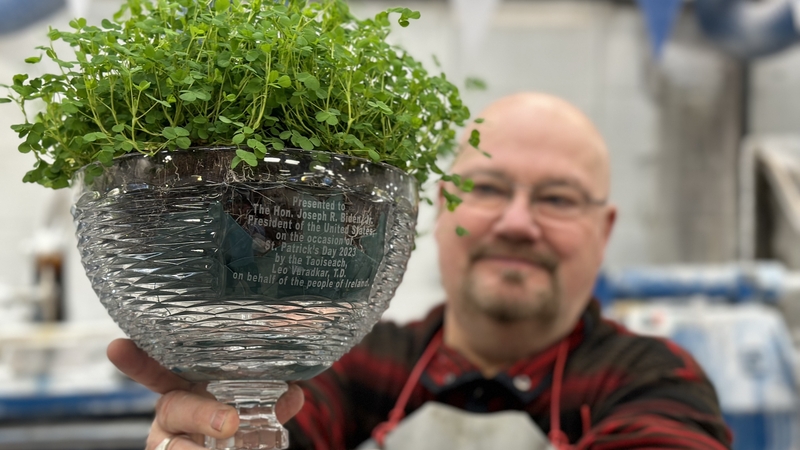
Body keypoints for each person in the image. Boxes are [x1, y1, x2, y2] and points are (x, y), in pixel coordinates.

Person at [107, 92, 733, 450]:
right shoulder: (349, 359)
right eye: (487, 188)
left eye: (558, 198)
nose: (517, 223)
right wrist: (224, 419)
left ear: (605, 231)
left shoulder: (654, 379)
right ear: (436, 209)